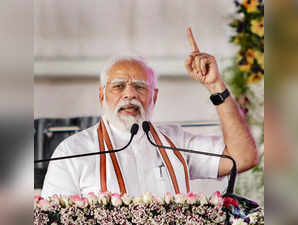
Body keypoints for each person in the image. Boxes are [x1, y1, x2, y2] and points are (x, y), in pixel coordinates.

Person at [41, 28, 258, 198]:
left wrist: (215, 85)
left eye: (140, 87)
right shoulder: (72, 151)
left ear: (154, 97)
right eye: (118, 86)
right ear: (101, 95)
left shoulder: (174, 140)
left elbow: (243, 157)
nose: (129, 95)